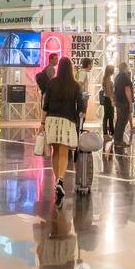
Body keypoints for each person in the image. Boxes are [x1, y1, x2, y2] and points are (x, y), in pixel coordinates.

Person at [42, 56, 82, 209]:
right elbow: (81, 106)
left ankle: (56, 180)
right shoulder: (75, 85)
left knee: (56, 151)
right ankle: (60, 179)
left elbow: (45, 105)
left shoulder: (52, 83)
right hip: (67, 120)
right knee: (64, 152)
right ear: (71, 69)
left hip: (52, 120)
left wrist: (42, 123)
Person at [112, 60, 134, 149]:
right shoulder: (125, 77)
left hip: (118, 101)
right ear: (125, 68)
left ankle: (116, 139)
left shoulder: (117, 77)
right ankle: (119, 140)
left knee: (119, 121)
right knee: (123, 121)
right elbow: (127, 90)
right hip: (124, 101)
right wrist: (130, 102)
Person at [100, 64, 116, 138]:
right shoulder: (108, 79)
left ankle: (107, 132)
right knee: (109, 116)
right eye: (113, 69)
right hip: (108, 99)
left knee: (107, 116)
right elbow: (109, 92)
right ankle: (109, 132)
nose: (114, 70)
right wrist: (112, 100)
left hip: (106, 99)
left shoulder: (105, 78)